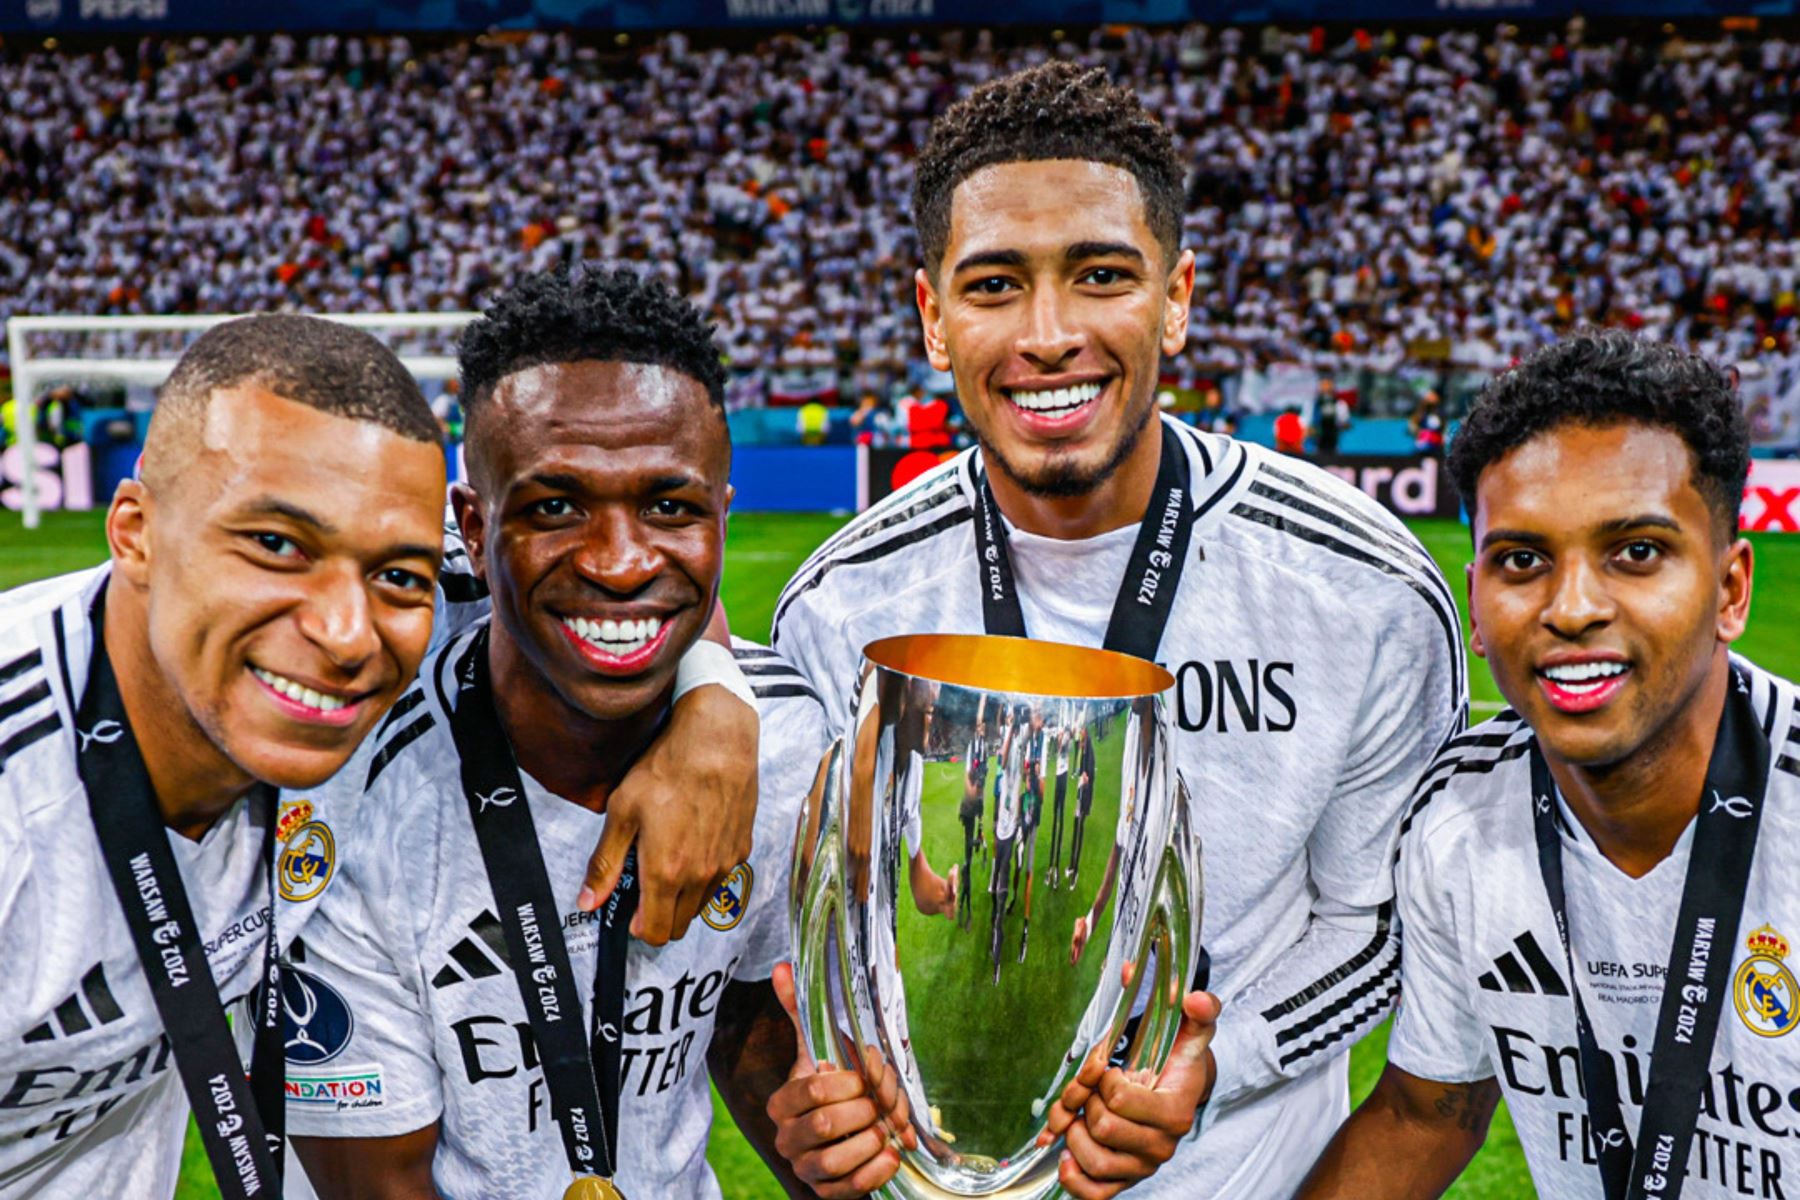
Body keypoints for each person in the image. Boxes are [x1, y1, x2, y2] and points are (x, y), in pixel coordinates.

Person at [769, 62, 1464, 1199]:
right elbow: (828, 945)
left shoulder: (1361, 586)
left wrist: (1215, 1062)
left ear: (1178, 297)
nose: (1049, 335)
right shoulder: (844, 605)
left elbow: (1381, 926)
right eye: (994, 286)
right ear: (931, 319)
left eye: (1101, 276)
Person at [0, 311, 765, 1200]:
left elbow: (632, 578)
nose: (343, 632)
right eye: (275, 546)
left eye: (398, 576)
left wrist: (717, 699)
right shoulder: (22, 809)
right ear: (134, 529)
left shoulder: (369, 616)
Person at [283, 269, 820, 1198]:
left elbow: (744, 1012)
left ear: (723, 514)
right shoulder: (353, 795)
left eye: (669, 506)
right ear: (471, 524)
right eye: (555, 507)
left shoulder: (788, 743)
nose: (619, 563)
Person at [1299, 332, 1799, 1199]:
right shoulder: (1458, 817)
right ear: (1478, 613)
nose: (1571, 609)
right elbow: (1429, 1113)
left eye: (1636, 552)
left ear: (1730, 589)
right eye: (1524, 560)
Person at [1313, 376, 1343, 456]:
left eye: (1327, 385)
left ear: (1332, 387)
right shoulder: (1313, 403)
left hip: (1333, 436)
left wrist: (1341, 424)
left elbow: (1343, 421)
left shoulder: (1339, 403)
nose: (1325, 387)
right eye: (1323, 385)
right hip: (1318, 438)